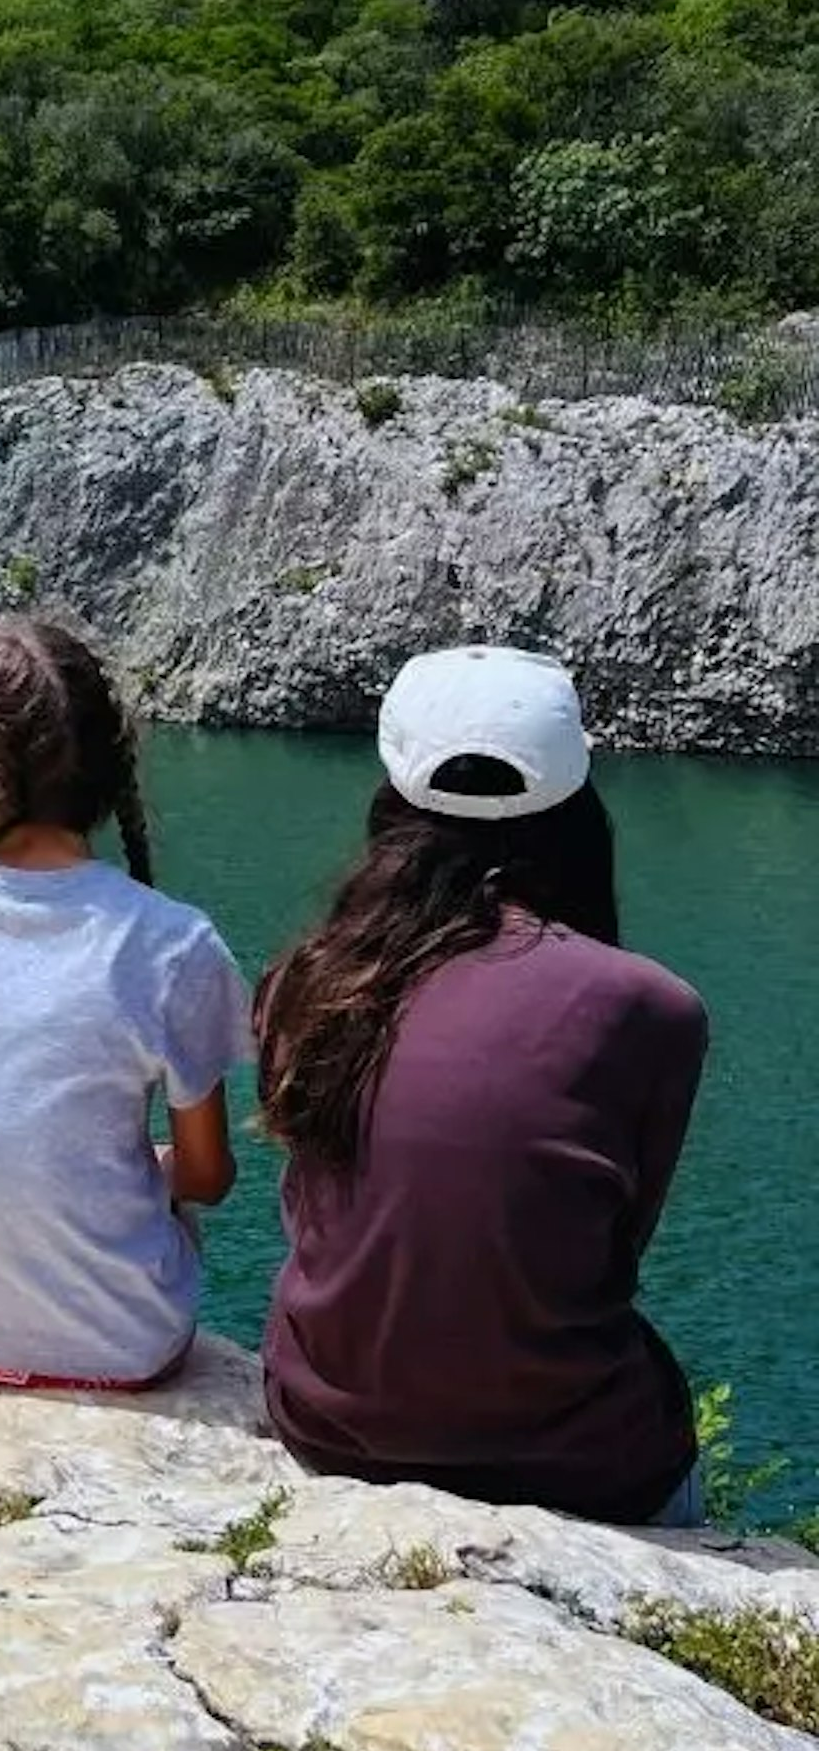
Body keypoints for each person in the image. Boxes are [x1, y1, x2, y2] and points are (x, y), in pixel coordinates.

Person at [257, 644, 707, 1528]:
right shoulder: (653, 1010)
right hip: (574, 1459)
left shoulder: (304, 981)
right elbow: (608, 1252)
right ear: (577, 804)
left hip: (328, 1427)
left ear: (390, 804)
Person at [0, 615, 252, 1389]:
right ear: (111, 766)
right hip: (124, 1352)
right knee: (168, 1200)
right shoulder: (173, 943)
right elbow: (207, 1178)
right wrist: (139, 1168)